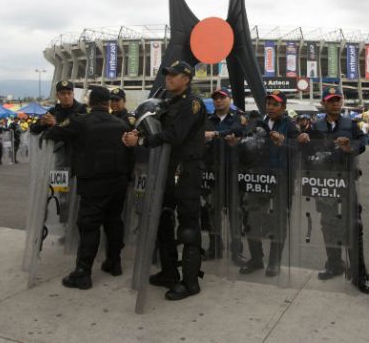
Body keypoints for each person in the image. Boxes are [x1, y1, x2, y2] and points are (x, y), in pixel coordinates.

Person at [122, 60, 207, 300]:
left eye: (174, 75)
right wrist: (136, 133)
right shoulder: (169, 103)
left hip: (186, 171)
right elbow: (155, 126)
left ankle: (190, 282)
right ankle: (169, 273)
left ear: (186, 79)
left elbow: (175, 135)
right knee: (162, 220)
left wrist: (142, 141)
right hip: (166, 169)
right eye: (167, 74)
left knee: (188, 226)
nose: (168, 78)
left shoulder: (193, 103)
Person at [42, 86, 132, 289]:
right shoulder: (121, 124)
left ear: (90, 102)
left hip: (93, 182)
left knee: (89, 225)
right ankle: (114, 262)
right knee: (114, 222)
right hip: (118, 181)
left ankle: (83, 272)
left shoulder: (80, 121)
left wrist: (52, 125)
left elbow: (54, 133)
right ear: (107, 103)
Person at [297, 86, 369, 293]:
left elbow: (363, 142)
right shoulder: (315, 126)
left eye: (338, 100)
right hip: (324, 183)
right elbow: (307, 150)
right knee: (328, 224)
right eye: (331, 100)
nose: (335, 103)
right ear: (324, 103)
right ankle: (334, 264)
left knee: (353, 225)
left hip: (345, 181)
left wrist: (350, 147)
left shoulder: (350, 124)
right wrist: (302, 140)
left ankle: (359, 274)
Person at [238, 90, 298, 277]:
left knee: (278, 220)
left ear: (283, 107)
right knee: (251, 218)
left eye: (275, 104)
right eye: (269, 104)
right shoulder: (257, 123)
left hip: (281, 179)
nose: (271, 107)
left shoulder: (290, 126)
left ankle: (274, 261)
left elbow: (299, 148)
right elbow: (245, 144)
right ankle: (256, 258)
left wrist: (283, 142)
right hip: (257, 178)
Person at [202, 87, 247, 263]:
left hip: (233, 171)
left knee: (235, 212)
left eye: (222, 97)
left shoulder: (238, 117)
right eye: (216, 98)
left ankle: (236, 250)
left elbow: (238, 130)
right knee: (213, 210)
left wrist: (215, 134)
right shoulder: (208, 119)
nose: (218, 101)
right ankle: (215, 248)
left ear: (230, 100)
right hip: (213, 172)